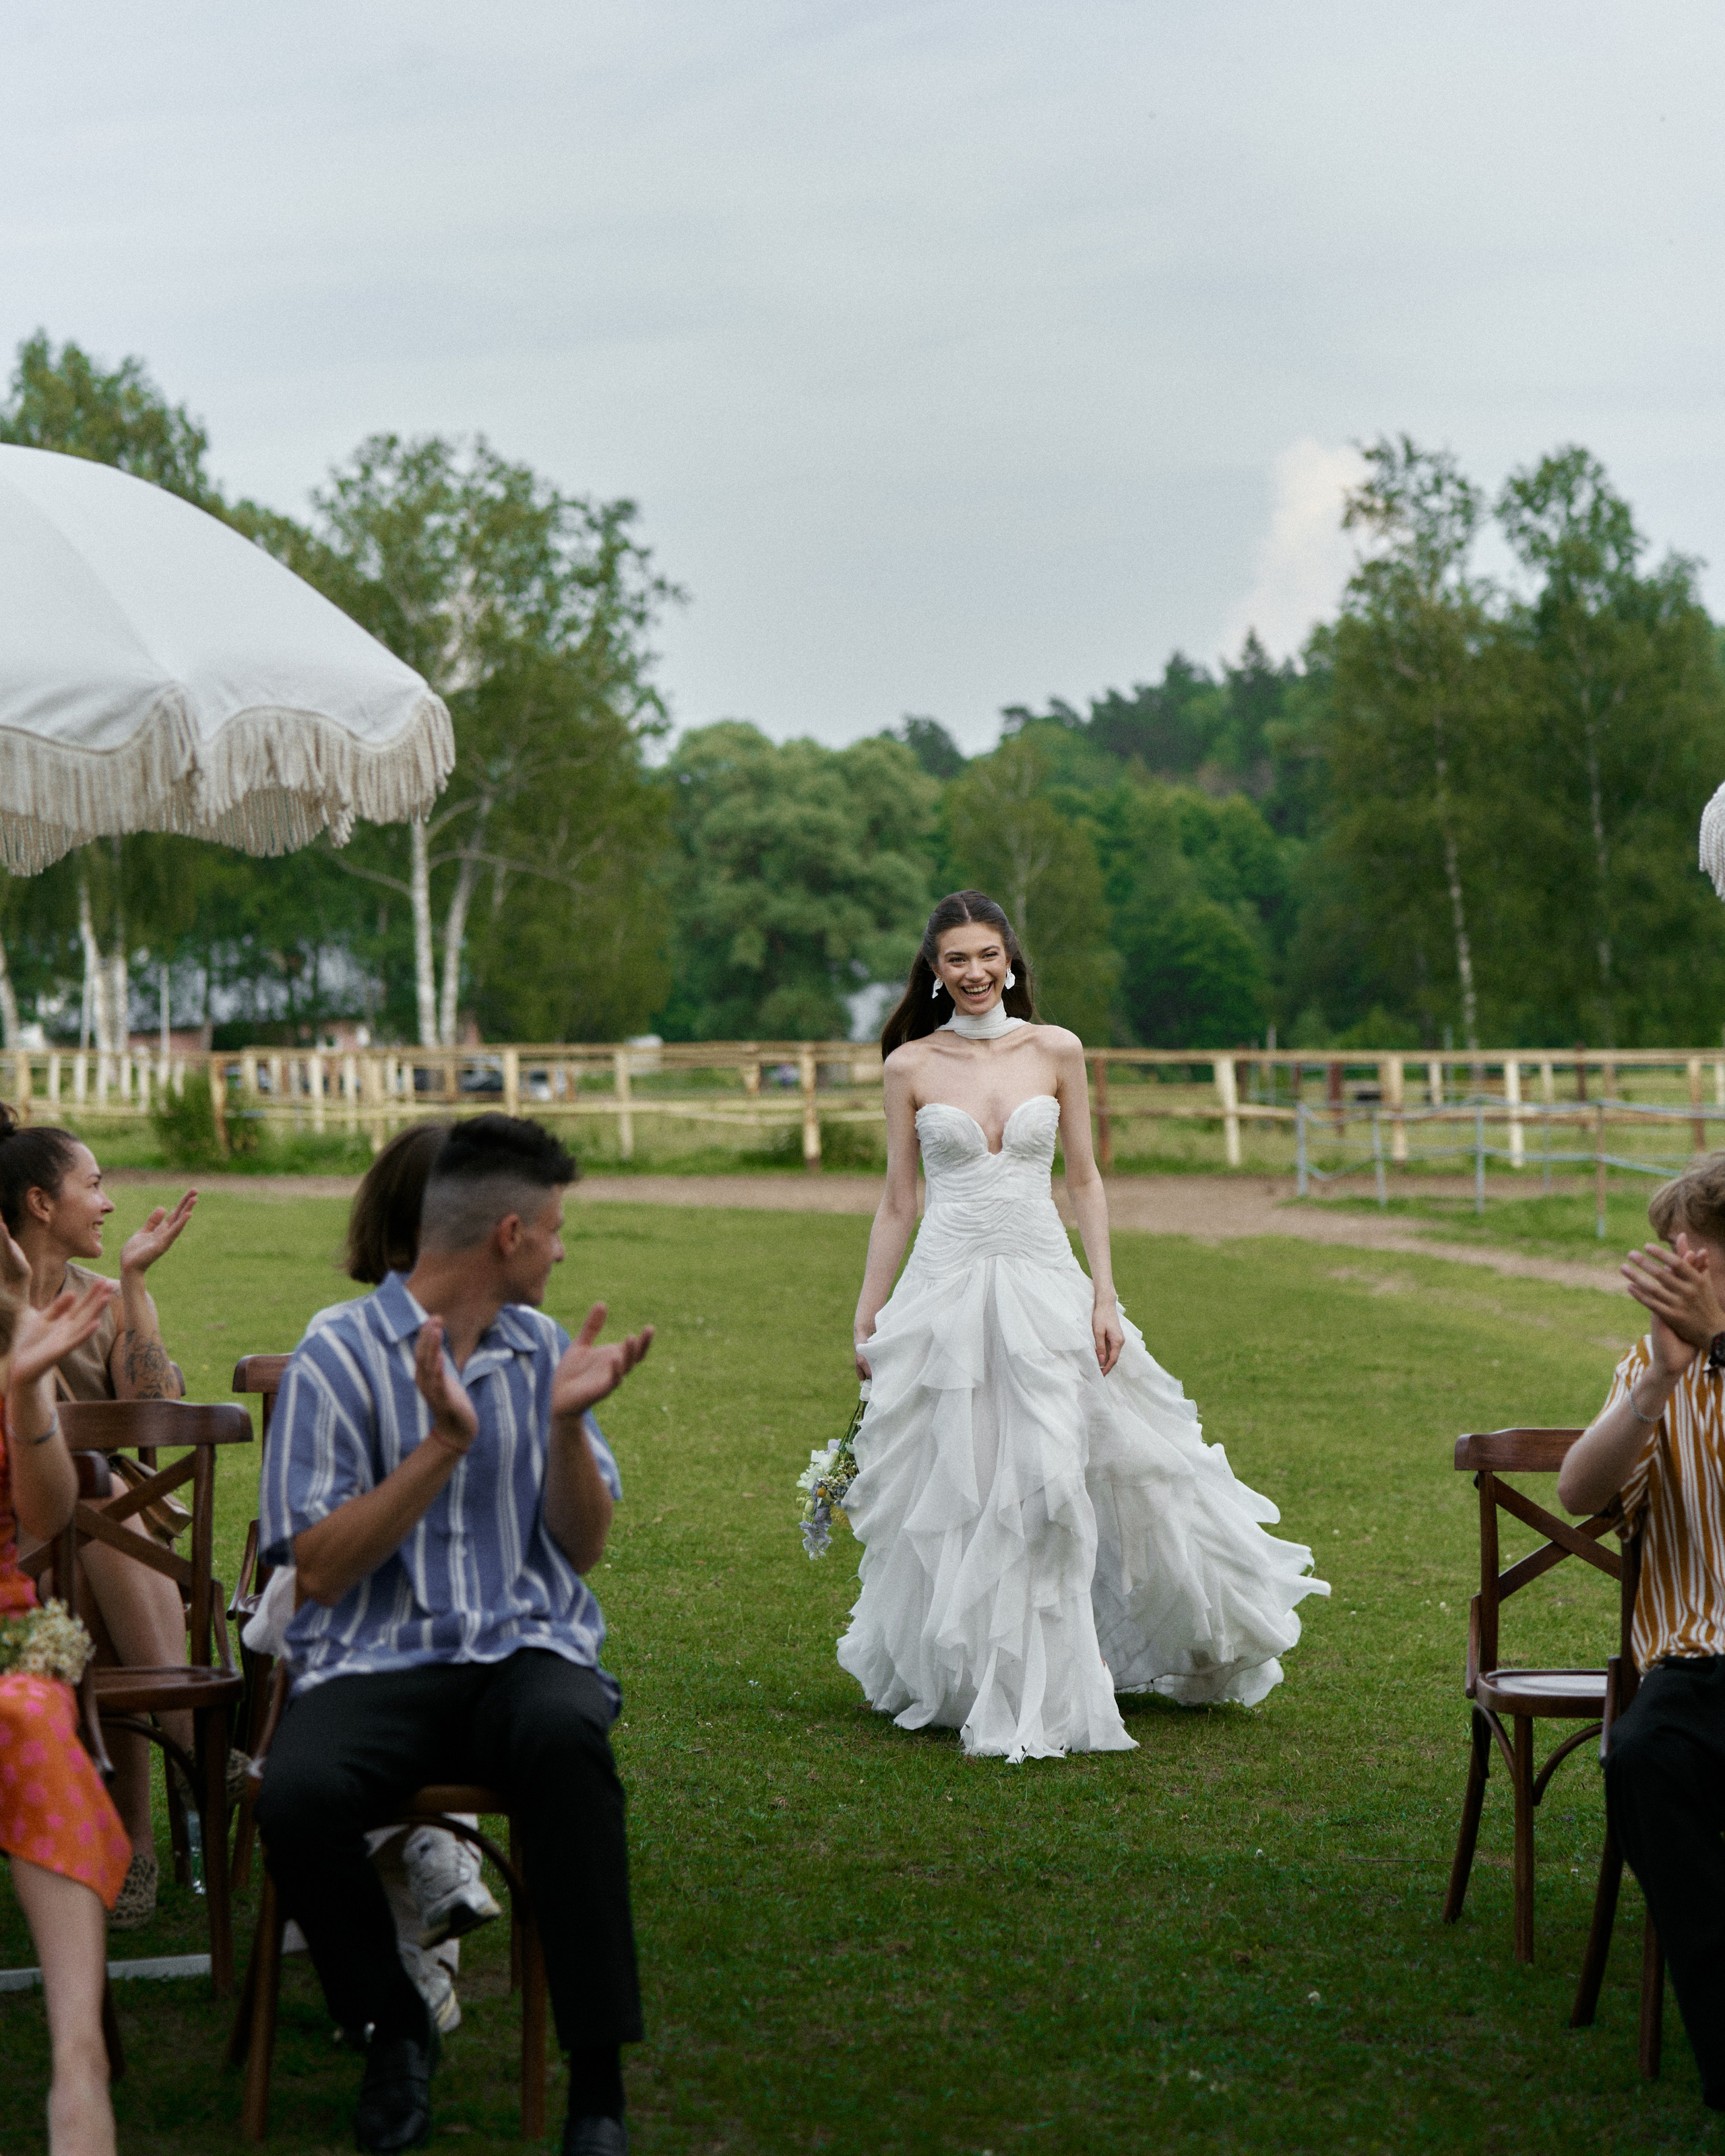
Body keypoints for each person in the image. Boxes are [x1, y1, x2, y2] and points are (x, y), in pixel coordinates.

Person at [841, 891, 1329, 1761]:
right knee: (966, 1478)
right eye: (957, 959)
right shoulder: (910, 1065)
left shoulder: (1056, 1049)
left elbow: (1087, 1183)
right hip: (946, 1288)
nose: (976, 972)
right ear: (934, 971)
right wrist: (868, 1313)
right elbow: (896, 1201)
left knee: (1074, 1471)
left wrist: (1105, 1295)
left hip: (1045, 1281)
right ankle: (973, 1671)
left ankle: (1093, 1661)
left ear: (1013, 960)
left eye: (989, 954)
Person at [255, 1114, 653, 2156]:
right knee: (295, 1793)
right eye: (558, 1229)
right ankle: (393, 2027)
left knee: (567, 1741)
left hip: (524, 1652)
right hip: (377, 1661)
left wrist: (566, 1424)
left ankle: (597, 2090)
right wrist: (440, 1447)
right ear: (508, 1234)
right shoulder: (335, 1351)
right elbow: (322, 1567)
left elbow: (583, 1548)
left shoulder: (539, 1351)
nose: (566, 1251)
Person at [245, 1118, 503, 2035]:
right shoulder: (335, 1338)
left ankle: (418, 1972)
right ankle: (433, 1883)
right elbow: (322, 1537)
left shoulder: (520, 1341)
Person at [0, 1110, 199, 1927]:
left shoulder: (108, 1301)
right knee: (98, 1500)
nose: (109, 1202)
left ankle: (137, 1846)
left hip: (100, 1556)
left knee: (102, 1527)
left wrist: (140, 1288)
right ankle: (196, 1753)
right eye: (95, 1183)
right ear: (42, 1203)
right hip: (23, 1546)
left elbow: (156, 1416)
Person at [1559, 1155, 1725, 2113]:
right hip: (1699, 1667)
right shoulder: (1648, 1360)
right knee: (1645, 1761)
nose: (1675, 1257)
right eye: (1671, 1243)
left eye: (1692, 1243)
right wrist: (1657, 1386)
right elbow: (1580, 1493)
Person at [0, 1240, 134, 2156]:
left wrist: (23, 1393)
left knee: (29, 1715)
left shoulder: (12, 1325)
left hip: (4, 1627)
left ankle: (79, 2065)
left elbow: (46, 1519)